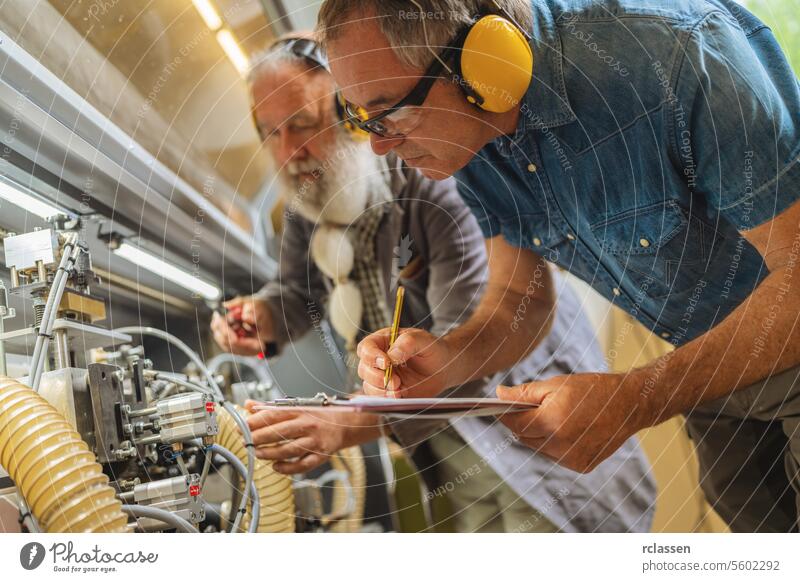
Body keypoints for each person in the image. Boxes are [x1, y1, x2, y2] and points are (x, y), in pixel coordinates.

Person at [319, 0, 800, 532]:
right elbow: (517, 299)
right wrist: (448, 361)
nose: (380, 147)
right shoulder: (470, 138)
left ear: (480, 60)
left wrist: (638, 397)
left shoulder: (674, 59)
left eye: (393, 113)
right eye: (359, 118)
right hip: (715, 372)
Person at [210, 34, 656, 532]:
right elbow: (297, 294)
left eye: (303, 125)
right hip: (442, 448)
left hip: (526, 434)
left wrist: (347, 422)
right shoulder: (306, 207)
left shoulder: (434, 178)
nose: (290, 151)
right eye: (270, 134)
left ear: (353, 113)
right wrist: (262, 316)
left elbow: (468, 351)